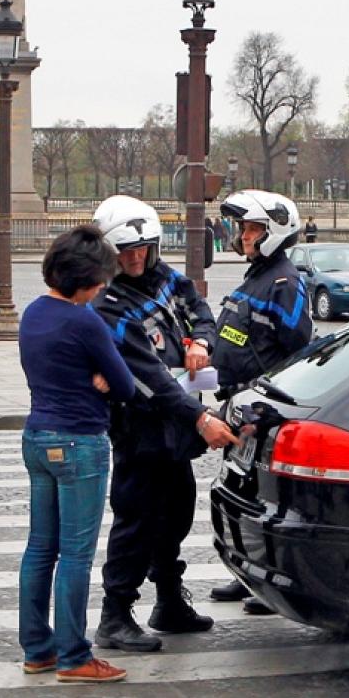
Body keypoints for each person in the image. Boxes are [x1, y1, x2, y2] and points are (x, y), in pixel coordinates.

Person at [91, 195, 239, 653]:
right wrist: (200, 417)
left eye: (143, 248)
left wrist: (201, 341)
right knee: (136, 518)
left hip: (175, 424)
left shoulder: (167, 279)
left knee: (174, 512)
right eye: (126, 251)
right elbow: (147, 377)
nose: (136, 257)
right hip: (141, 427)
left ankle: (169, 600)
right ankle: (115, 614)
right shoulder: (107, 303)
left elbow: (200, 310)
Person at [18, 226, 134, 684]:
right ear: (85, 279)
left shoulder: (32, 313)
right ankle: (74, 656)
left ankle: (37, 648)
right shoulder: (84, 320)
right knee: (76, 555)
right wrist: (101, 379)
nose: (105, 286)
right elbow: (124, 385)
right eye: (101, 278)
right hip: (79, 441)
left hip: (37, 437)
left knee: (39, 548)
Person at [208, 190, 313, 615]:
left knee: (262, 499)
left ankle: (268, 581)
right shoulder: (257, 276)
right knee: (239, 495)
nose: (244, 236)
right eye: (244, 229)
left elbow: (296, 346)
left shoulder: (286, 282)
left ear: (274, 231)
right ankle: (247, 572)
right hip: (238, 402)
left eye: (252, 228)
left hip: (261, 410)